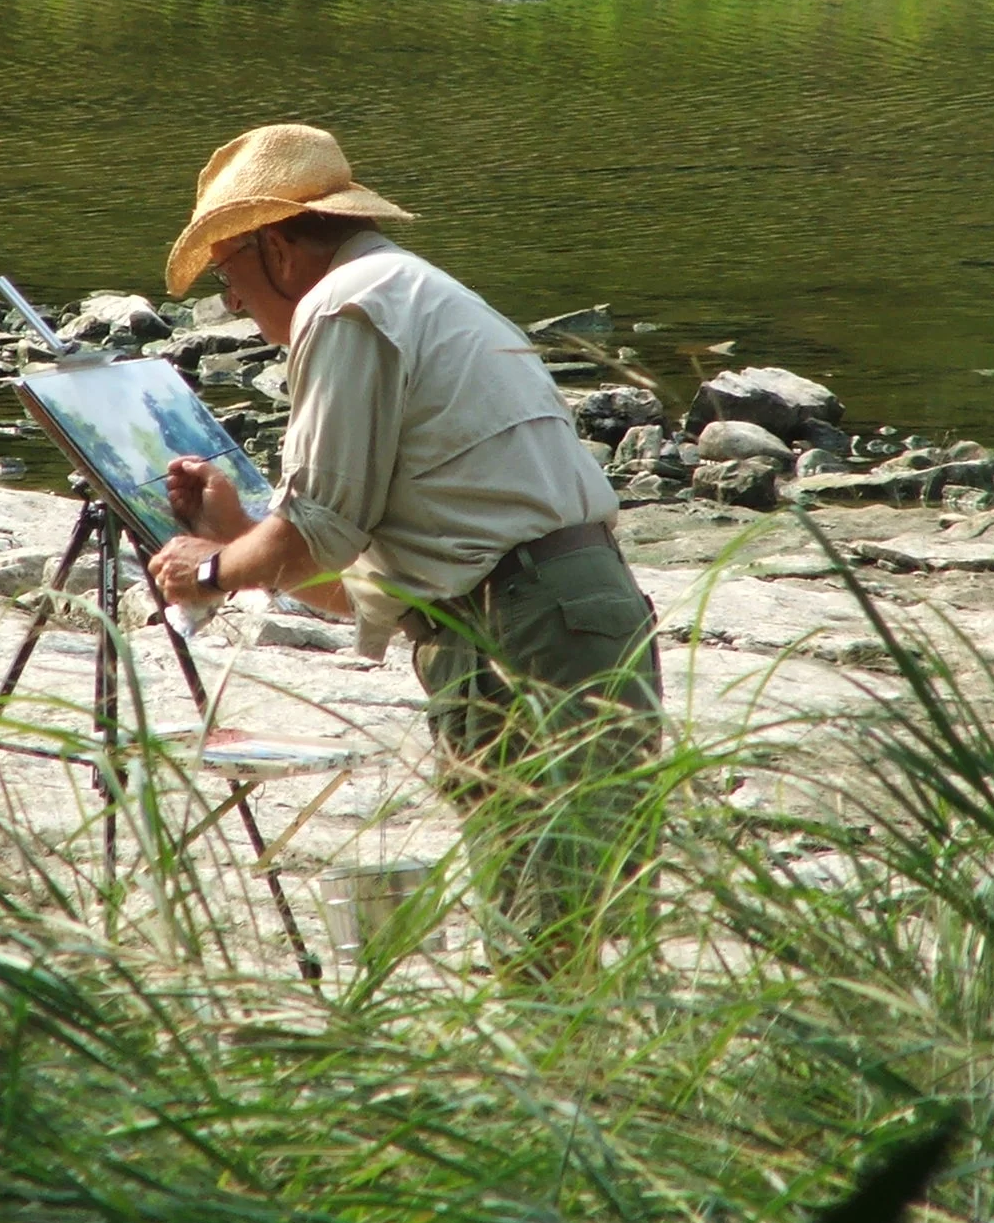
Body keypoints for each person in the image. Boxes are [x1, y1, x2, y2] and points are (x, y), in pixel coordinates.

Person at [145, 123, 662, 962]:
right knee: (576, 913)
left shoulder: (344, 304)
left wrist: (204, 570)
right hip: (566, 611)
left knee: (546, 925)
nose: (232, 306)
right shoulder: (412, 288)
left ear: (278, 247)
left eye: (230, 277)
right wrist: (242, 541)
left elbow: (318, 532)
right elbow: (372, 584)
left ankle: (570, 1088)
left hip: (525, 631)